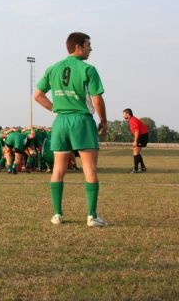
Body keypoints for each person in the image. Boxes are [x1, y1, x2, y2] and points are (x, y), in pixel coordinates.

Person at [34, 32, 109, 227]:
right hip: (82, 120)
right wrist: (104, 121)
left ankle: (57, 215)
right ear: (78, 47)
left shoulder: (53, 68)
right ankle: (92, 216)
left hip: (60, 122)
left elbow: (38, 95)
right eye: (88, 45)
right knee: (89, 169)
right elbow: (97, 99)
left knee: (58, 169)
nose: (90, 49)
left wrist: (56, 109)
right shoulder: (88, 69)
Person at [123, 108, 149, 173]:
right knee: (136, 151)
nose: (123, 116)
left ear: (128, 114)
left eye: (124, 114)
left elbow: (137, 131)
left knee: (135, 151)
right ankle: (142, 168)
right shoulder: (132, 119)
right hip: (143, 135)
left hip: (142, 136)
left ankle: (136, 169)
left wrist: (135, 141)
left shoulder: (132, 120)